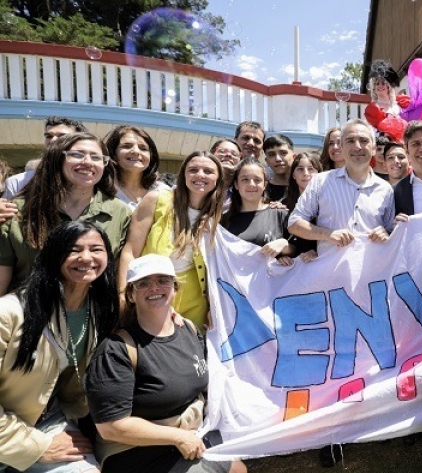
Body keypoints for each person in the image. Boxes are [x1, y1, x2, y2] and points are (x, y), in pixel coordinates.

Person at [84, 254, 247, 473]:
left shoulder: (188, 329)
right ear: (131, 295)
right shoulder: (117, 350)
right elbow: (111, 427)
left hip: (189, 434)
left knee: (238, 469)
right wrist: (178, 437)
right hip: (136, 450)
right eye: (143, 283)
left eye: (163, 280)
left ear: (175, 288)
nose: (154, 288)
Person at [0, 221, 120, 472]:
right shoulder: (10, 313)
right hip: (10, 431)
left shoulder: (100, 311)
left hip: (49, 421)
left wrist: (172, 316)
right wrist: (37, 447)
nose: (86, 258)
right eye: (74, 249)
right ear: (54, 256)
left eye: (96, 249)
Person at [0, 132, 131, 296]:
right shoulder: (18, 210)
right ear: (57, 159)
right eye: (77, 154)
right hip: (27, 314)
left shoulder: (120, 212)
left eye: (96, 157)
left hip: (92, 316)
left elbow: (118, 274)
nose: (87, 162)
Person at [118, 151, 226, 329]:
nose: (200, 175)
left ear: (217, 179)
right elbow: (130, 251)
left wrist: (214, 307)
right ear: (183, 174)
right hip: (151, 293)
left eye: (208, 171)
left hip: (195, 303)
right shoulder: (157, 199)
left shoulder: (218, 215)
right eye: (193, 169)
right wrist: (123, 295)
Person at [288, 120, 394, 255]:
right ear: (341, 148)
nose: (357, 146)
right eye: (350, 141)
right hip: (331, 272)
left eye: (363, 140)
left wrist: (386, 233)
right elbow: (294, 223)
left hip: (373, 273)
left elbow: (391, 232)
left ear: (373, 148)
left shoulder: (385, 189)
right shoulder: (321, 182)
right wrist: (327, 234)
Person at [221, 158, 295, 265]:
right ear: (236, 185)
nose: (251, 184)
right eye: (245, 180)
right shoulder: (223, 221)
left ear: (265, 184)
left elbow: (303, 250)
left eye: (257, 180)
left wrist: (284, 247)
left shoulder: (280, 214)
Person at [2, 116, 87, 199]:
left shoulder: (91, 179)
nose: (53, 140)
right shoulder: (17, 183)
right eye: (49, 136)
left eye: (62, 136)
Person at [104, 125, 169, 211]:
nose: (136, 151)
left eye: (143, 148)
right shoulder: (102, 190)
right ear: (113, 153)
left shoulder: (163, 192)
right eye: (127, 146)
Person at [281, 152, 322, 262]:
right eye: (300, 169)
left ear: (319, 173)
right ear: (293, 175)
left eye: (311, 169)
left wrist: (316, 251)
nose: (305, 173)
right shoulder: (283, 204)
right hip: (292, 266)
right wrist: (281, 256)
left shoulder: (328, 203)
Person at [364, 59, 410, 142]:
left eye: (383, 83)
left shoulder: (399, 104)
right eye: (377, 83)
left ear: (388, 86)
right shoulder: (373, 109)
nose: (380, 86)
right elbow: (370, 131)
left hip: (401, 144)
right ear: (374, 88)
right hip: (382, 145)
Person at [263, 134, 295, 202]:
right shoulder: (263, 191)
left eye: (283, 153)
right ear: (267, 161)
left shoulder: (305, 186)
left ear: (294, 157)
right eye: (271, 155)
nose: (278, 159)